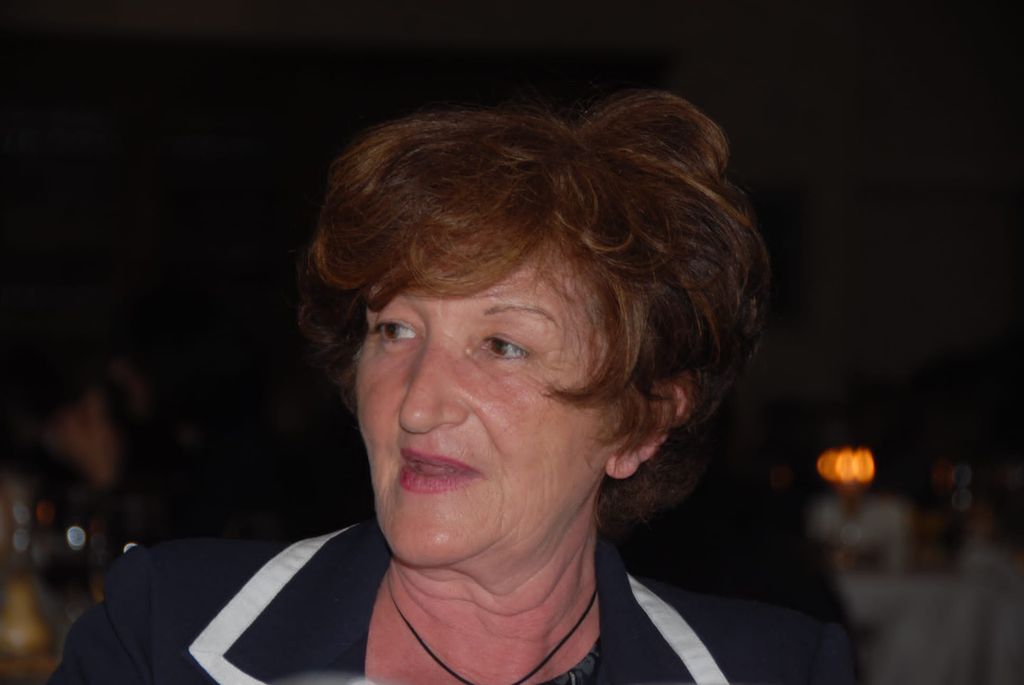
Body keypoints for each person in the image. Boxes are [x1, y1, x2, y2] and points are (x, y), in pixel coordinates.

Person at [49, 90, 856, 685]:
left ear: (640, 422)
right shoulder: (164, 632)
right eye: (395, 331)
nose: (417, 403)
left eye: (502, 345)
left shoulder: (777, 669)